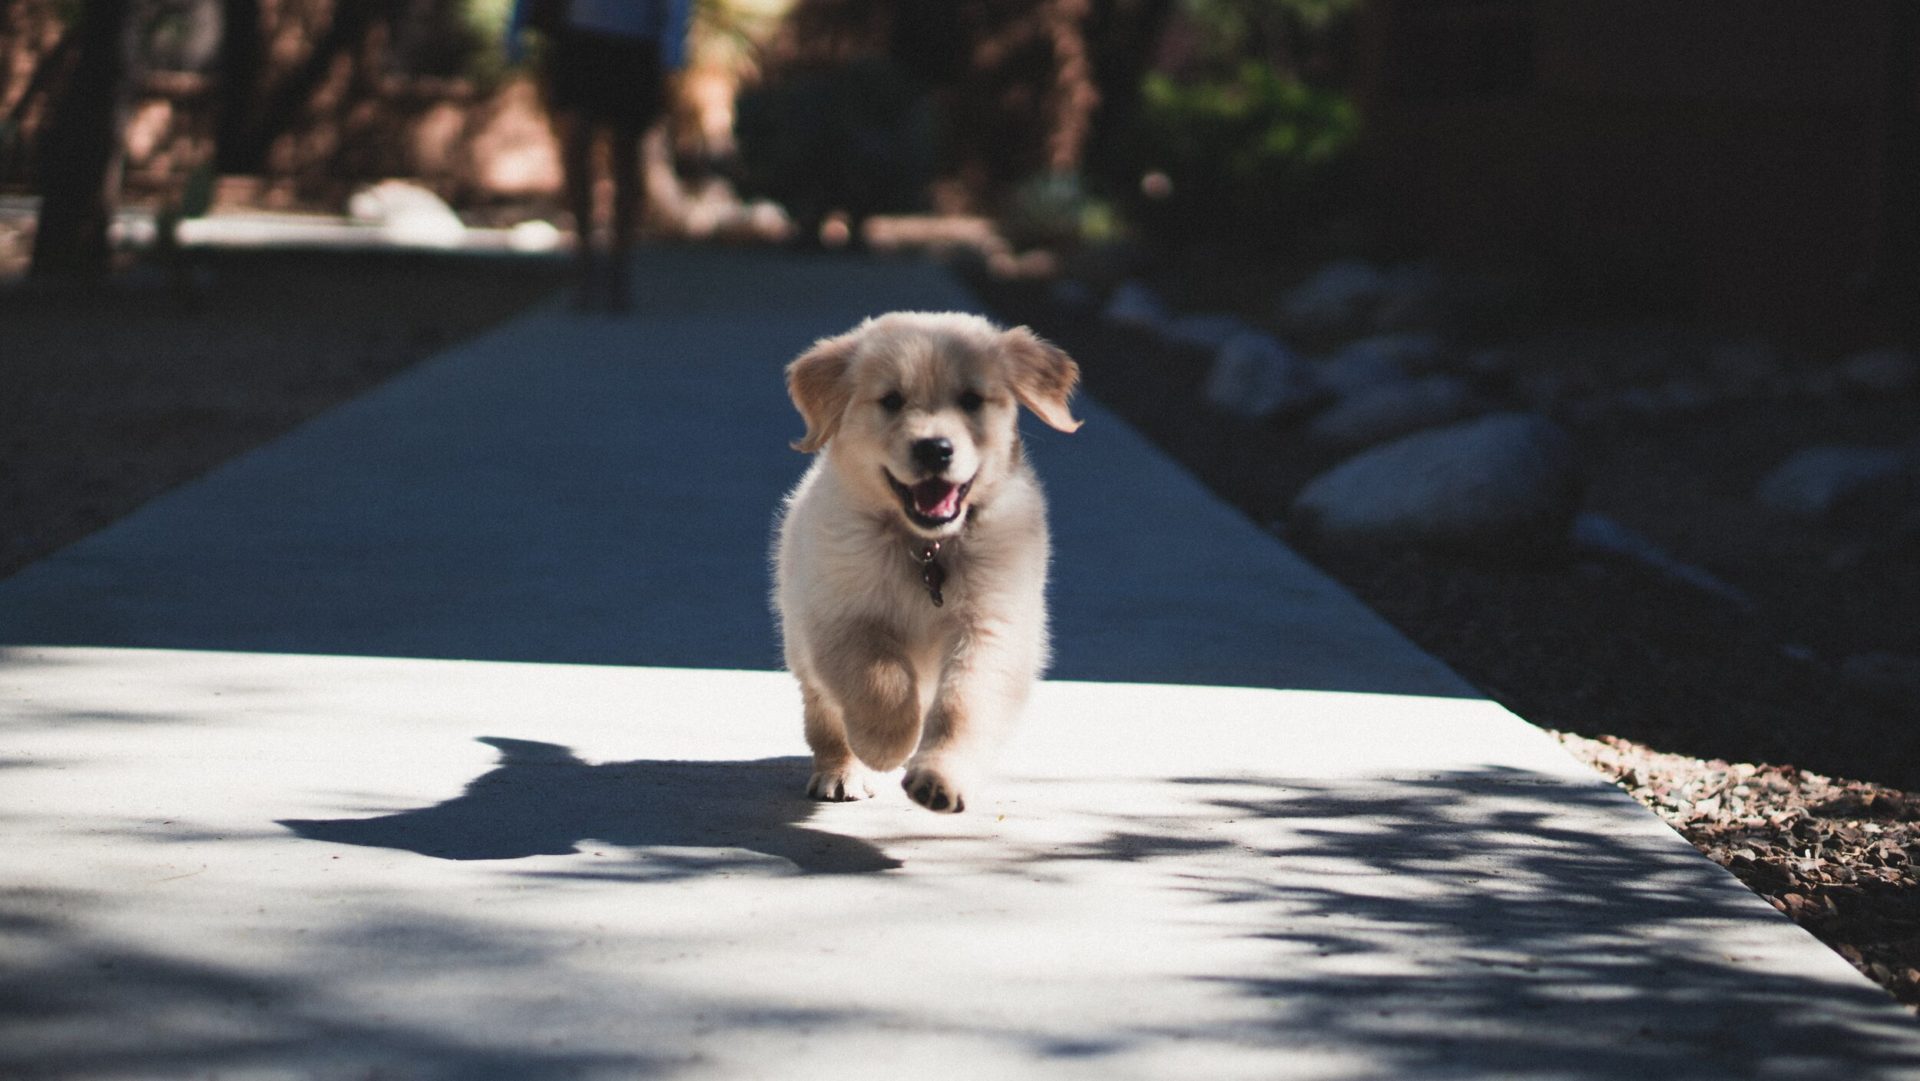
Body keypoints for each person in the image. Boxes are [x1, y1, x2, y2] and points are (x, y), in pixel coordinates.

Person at [508, 0, 691, 312]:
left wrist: (672, 48)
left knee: (626, 156)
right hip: (578, 40)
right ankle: (584, 259)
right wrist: (516, 27)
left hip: (634, 42)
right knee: (575, 146)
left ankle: (619, 265)